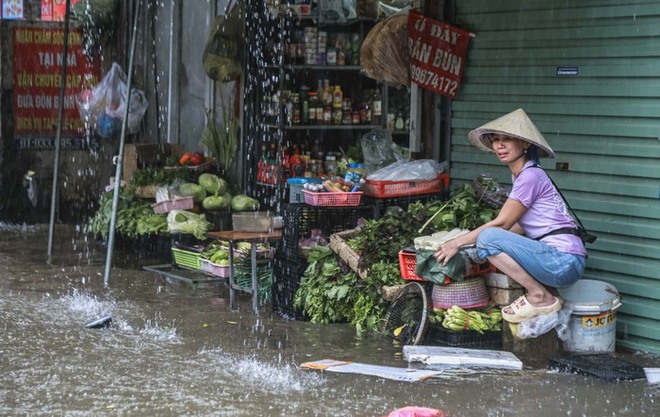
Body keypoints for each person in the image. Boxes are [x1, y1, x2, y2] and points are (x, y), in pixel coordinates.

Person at [434, 108, 588, 323]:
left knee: (489, 237)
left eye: (507, 139)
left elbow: (504, 223)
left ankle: (538, 295)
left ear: (525, 144)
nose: (500, 145)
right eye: (496, 140)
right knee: (488, 240)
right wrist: (476, 248)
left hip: (562, 260)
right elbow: (521, 227)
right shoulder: (523, 175)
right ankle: (539, 293)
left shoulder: (530, 176)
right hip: (562, 260)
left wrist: (457, 243)